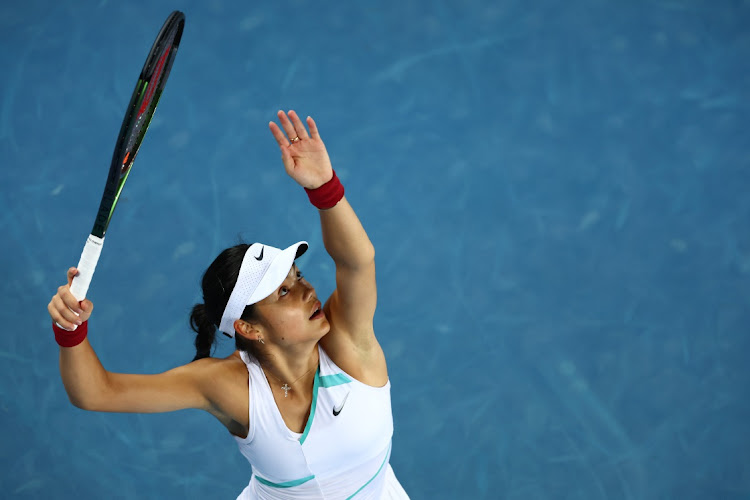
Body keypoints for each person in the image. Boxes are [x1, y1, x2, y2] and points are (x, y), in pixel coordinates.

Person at [47, 110, 409, 499]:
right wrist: (70, 329)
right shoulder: (228, 387)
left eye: (298, 277)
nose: (307, 291)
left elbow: (357, 262)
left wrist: (324, 186)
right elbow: (96, 393)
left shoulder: (349, 345)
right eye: (283, 292)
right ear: (249, 328)